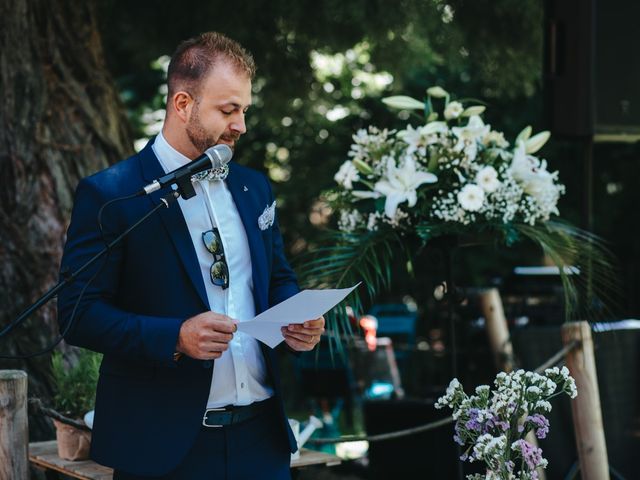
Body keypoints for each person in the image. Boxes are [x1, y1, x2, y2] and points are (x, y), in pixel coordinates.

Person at [57, 31, 324, 479]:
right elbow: (77, 315)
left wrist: (294, 320)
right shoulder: (111, 195)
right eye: (228, 110)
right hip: (164, 448)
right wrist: (176, 338)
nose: (240, 124)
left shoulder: (253, 187)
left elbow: (277, 277)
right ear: (183, 104)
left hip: (262, 441)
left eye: (243, 110)